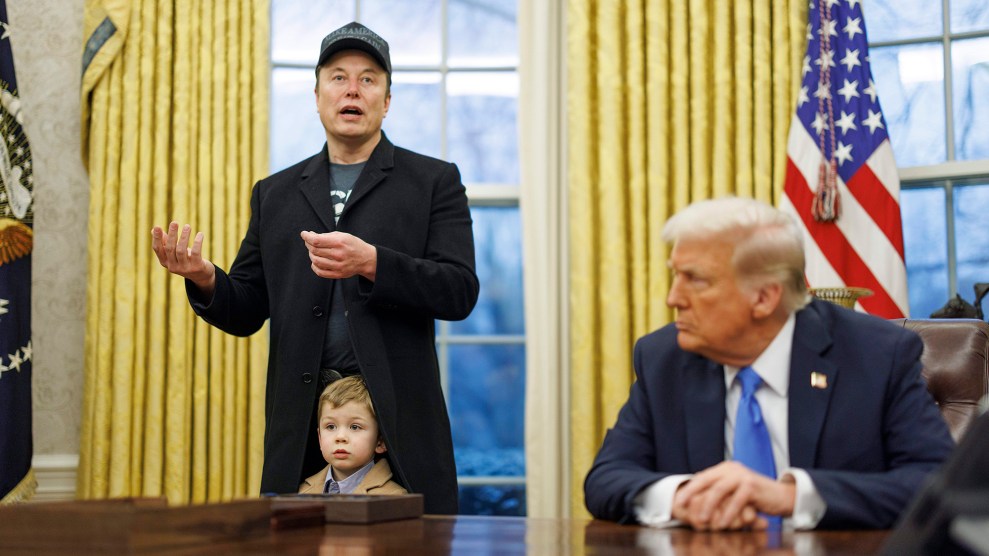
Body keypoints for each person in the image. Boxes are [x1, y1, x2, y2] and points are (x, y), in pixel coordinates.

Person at [150, 21, 478, 514]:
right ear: (318, 95)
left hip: (399, 422)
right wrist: (204, 277)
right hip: (302, 423)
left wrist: (372, 263)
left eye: (368, 79)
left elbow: (459, 291)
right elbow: (247, 308)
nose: (352, 89)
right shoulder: (275, 193)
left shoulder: (433, 181)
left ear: (386, 101)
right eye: (338, 77)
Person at [583, 196, 954, 530]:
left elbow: (938, 485)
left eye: (694, 279)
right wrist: (682, 497)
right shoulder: (663, 358)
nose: (672, 298)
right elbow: (606, 479)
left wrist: (790, 496)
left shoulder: (876, 354)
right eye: (675, 275)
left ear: (763, 298)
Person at [298, 376, 407, 495]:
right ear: (319, 437)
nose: (340, 437)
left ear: (380, 441)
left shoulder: (393, 497)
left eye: (355, 427)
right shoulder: (302, 491)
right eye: (331, 427)